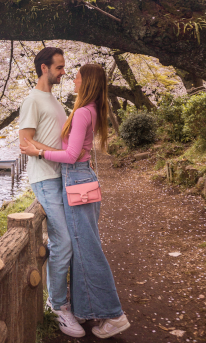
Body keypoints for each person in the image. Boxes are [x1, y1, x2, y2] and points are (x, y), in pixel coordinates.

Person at [21, 64, 130, 339]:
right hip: (81, 179)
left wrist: (39, 152)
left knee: (87, 249)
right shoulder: (93, 109)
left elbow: (70, 156)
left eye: (77, 75)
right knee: (83, 248)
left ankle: (114, 315)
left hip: (76, 179)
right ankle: (87, 308)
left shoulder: (82, 112)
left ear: (88, 81)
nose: (73, 78)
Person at [19, 47, 86, 338]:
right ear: (44, 68)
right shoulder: (32, 100)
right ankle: (57, 306)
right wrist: (63, 154)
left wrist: (71, 155)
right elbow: (25, 143)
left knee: (72, 239)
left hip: (64, 178)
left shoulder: (54, 100)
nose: (63, 73)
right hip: (45, 179)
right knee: (64, 241)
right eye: (58, 67)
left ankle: (64, 298)